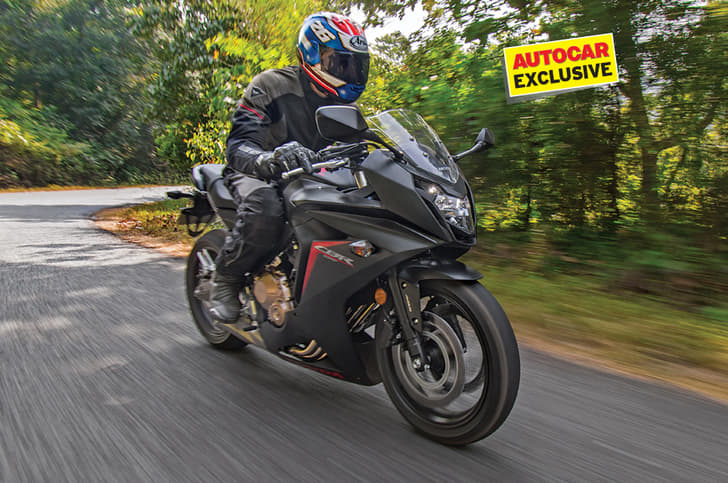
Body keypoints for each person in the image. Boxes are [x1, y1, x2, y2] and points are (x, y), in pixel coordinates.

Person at [209, 12, 370, 322]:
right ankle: (226, 279)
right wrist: (267, 158)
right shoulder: (270, 84)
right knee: (265, 208)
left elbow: (361, 151)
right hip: (258, 171)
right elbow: (239, 144)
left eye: (355, 65)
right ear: (312, 55)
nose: (349, 73)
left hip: (312, 178)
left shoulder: (348, 107)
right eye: (340, 63)